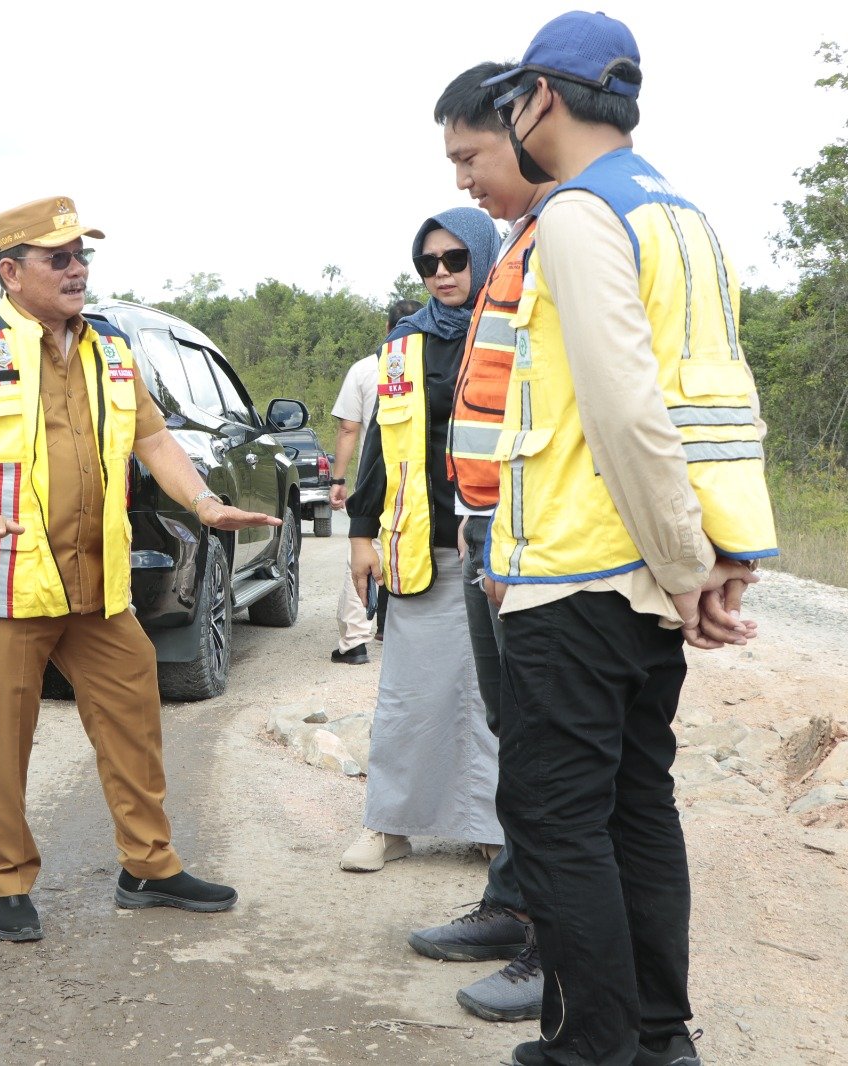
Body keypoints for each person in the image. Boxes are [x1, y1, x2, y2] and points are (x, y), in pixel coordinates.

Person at [480, 13, 775, 1065]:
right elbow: (715, 400)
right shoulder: (682, 215)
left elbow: (626, 411)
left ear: (539, 99)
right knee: (636, 806)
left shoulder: (577, 213)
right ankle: (656, 1039)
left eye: (510, 104)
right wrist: (718, 557)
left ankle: (588, 1049)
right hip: (648, 573)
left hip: (581, 571)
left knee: (556, 819)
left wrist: (687, 564)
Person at [0, 195, 274, 941]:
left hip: (95, 584)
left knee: (134, 720)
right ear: (11, 272)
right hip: (6, 583)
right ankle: (7, 881)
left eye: (83, 256)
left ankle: (150, 867)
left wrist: (206, 505)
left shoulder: (109, 346)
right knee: (3, 743)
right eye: (59, 258)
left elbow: (155, 440)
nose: (77, 270)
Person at [400, 60, 557, 1027]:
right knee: (514, 734)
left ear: (526, 123)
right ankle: (515, 901)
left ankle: (560, 948)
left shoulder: (570, 233)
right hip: (487, 523)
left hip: (537, 535)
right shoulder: (518, 242)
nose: (462, 178)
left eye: (471, 156)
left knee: (551, 748)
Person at [341, 206, 500, 874]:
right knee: (411, 695)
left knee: (498, 697)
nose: (441, 273)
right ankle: (391, 825)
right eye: (428, 263)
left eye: (456, 259)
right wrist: (360, 533)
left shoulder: (517, 329)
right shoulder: (406, 344)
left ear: (483, 258)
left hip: (504, 544)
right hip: (422, 546)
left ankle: (494, 831)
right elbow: (381, 443)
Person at [329, 297, 419, 663]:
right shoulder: (432, 364)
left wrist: (338, 478)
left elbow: (349, 429)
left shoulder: (366, 368)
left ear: (387, 329)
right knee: (412, 548)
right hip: (419, 480)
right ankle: (399, 631)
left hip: (375, 478)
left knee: (364, 550)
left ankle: (355, 642)